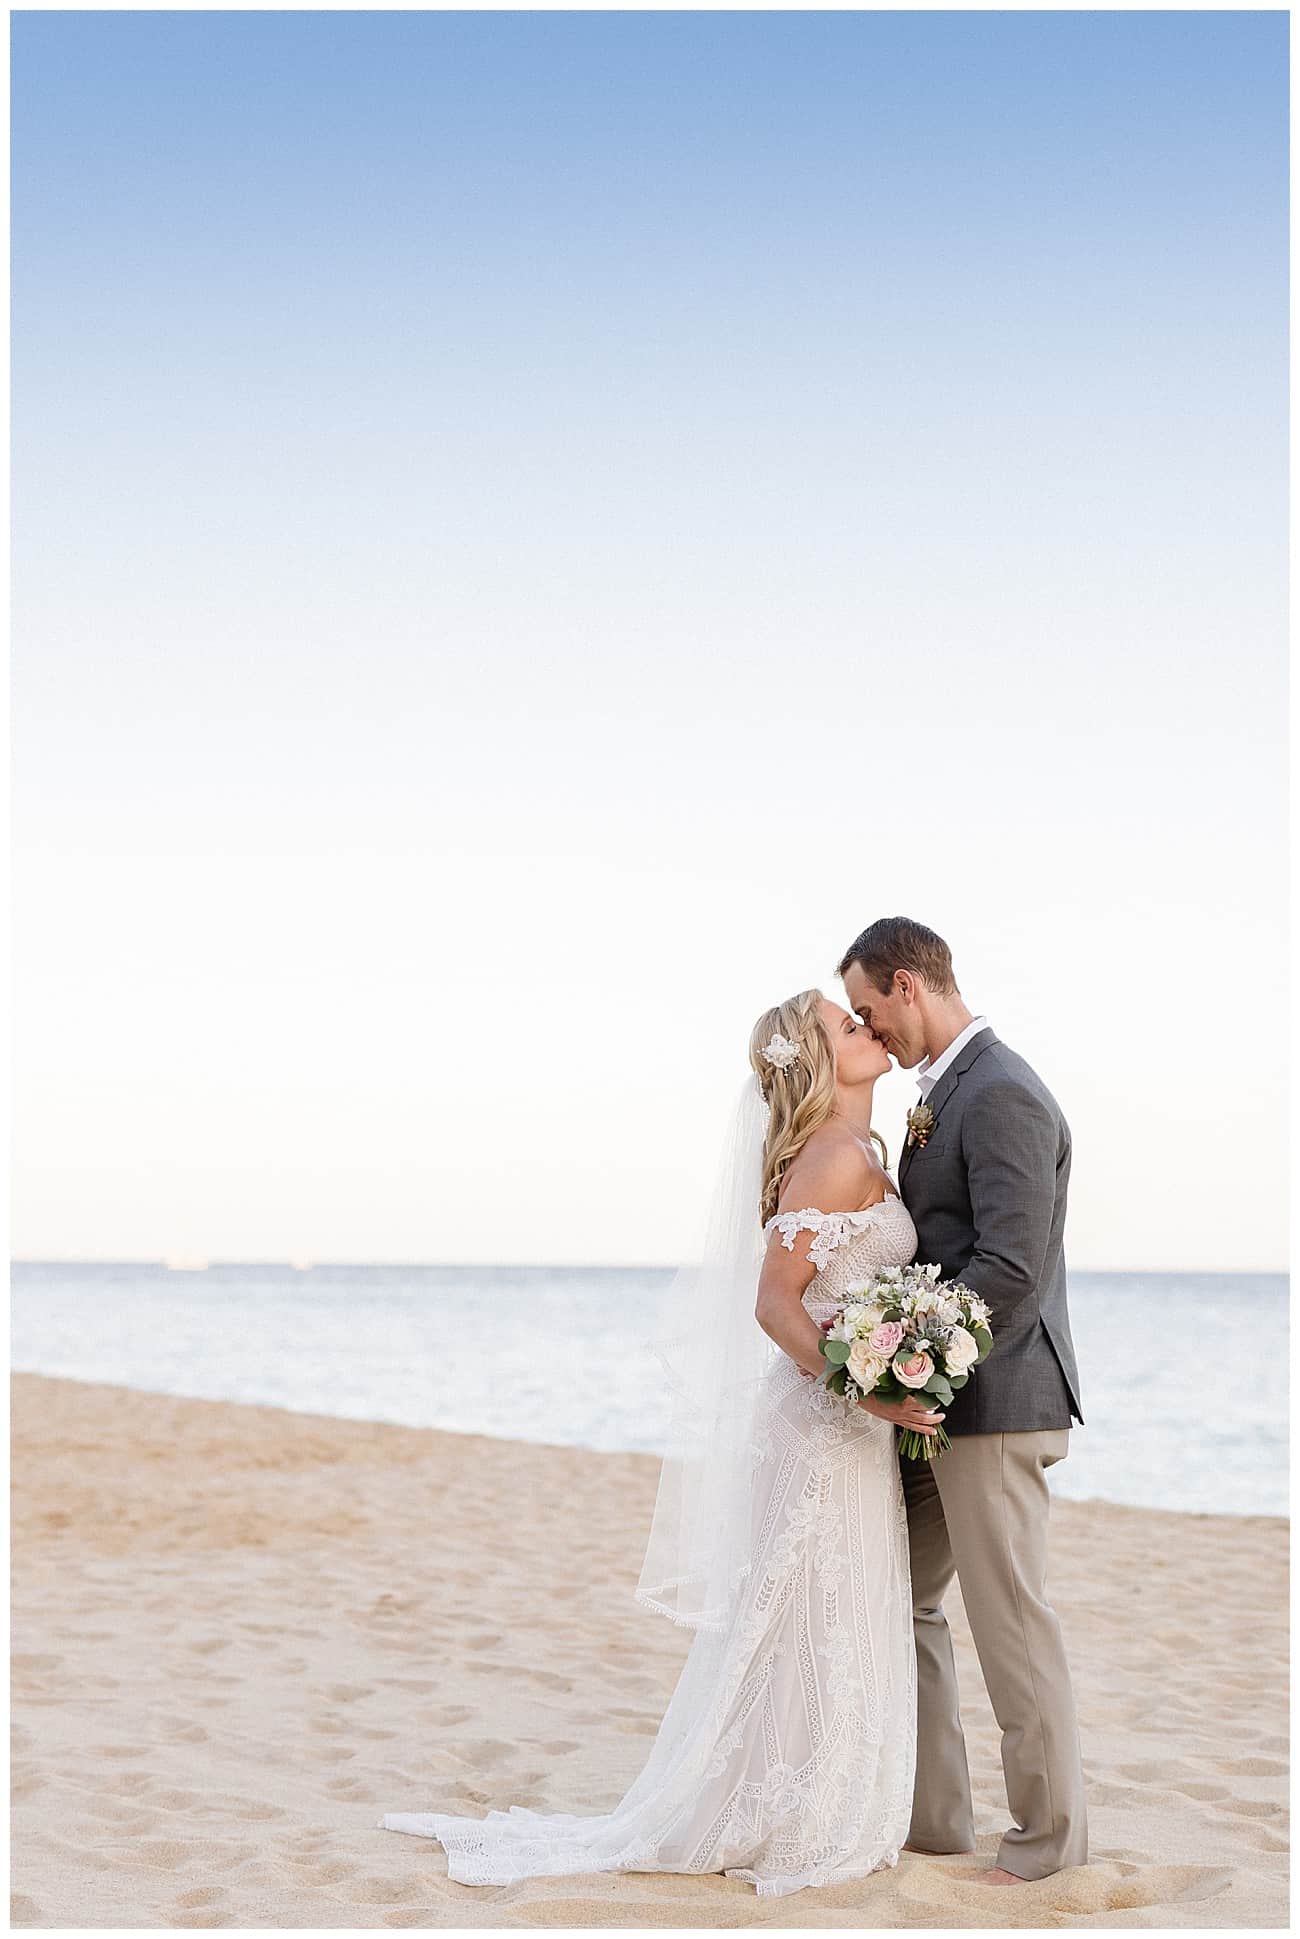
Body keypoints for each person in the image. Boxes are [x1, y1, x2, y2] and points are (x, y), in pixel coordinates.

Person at [378, 988, 941, 1895]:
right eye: (849, 1025)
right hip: (823, 1430)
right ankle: (778, 1806)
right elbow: (773, 1304)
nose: (868, 1030)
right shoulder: (835, 1156)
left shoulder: (856, 1150)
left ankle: (809, 1794)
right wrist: (870, 1396)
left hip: (843, 1431)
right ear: (818, 1061)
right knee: (801, 1614)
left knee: (823, 1612)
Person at [838, 915, 1087, 1883]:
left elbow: (1011, 1268)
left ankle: (1050, 1847)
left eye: (869, 1008)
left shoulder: (1004, 1093)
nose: (871, 1030)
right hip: (939, 1410)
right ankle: (934, 1822)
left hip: (998, 1405)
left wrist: (915, 1356)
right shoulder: (944, 1093)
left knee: (1011, 1624)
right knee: (896, 1597)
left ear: (907, 984)